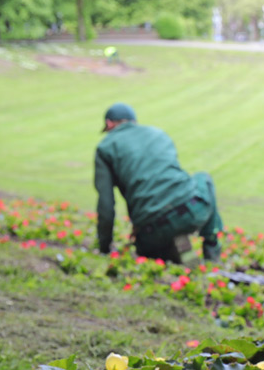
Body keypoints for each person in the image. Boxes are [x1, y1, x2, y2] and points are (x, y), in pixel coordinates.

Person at [94, 103, 222, 263]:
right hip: (190, 210)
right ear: (134, 122)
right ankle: (212, 248)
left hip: (150, 233)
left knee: (168, 250)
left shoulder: (105, 147)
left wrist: (104, 247)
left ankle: (179, 256)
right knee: (204, 178)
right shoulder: (157, 134)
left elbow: (106, 205)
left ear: (109, 124)